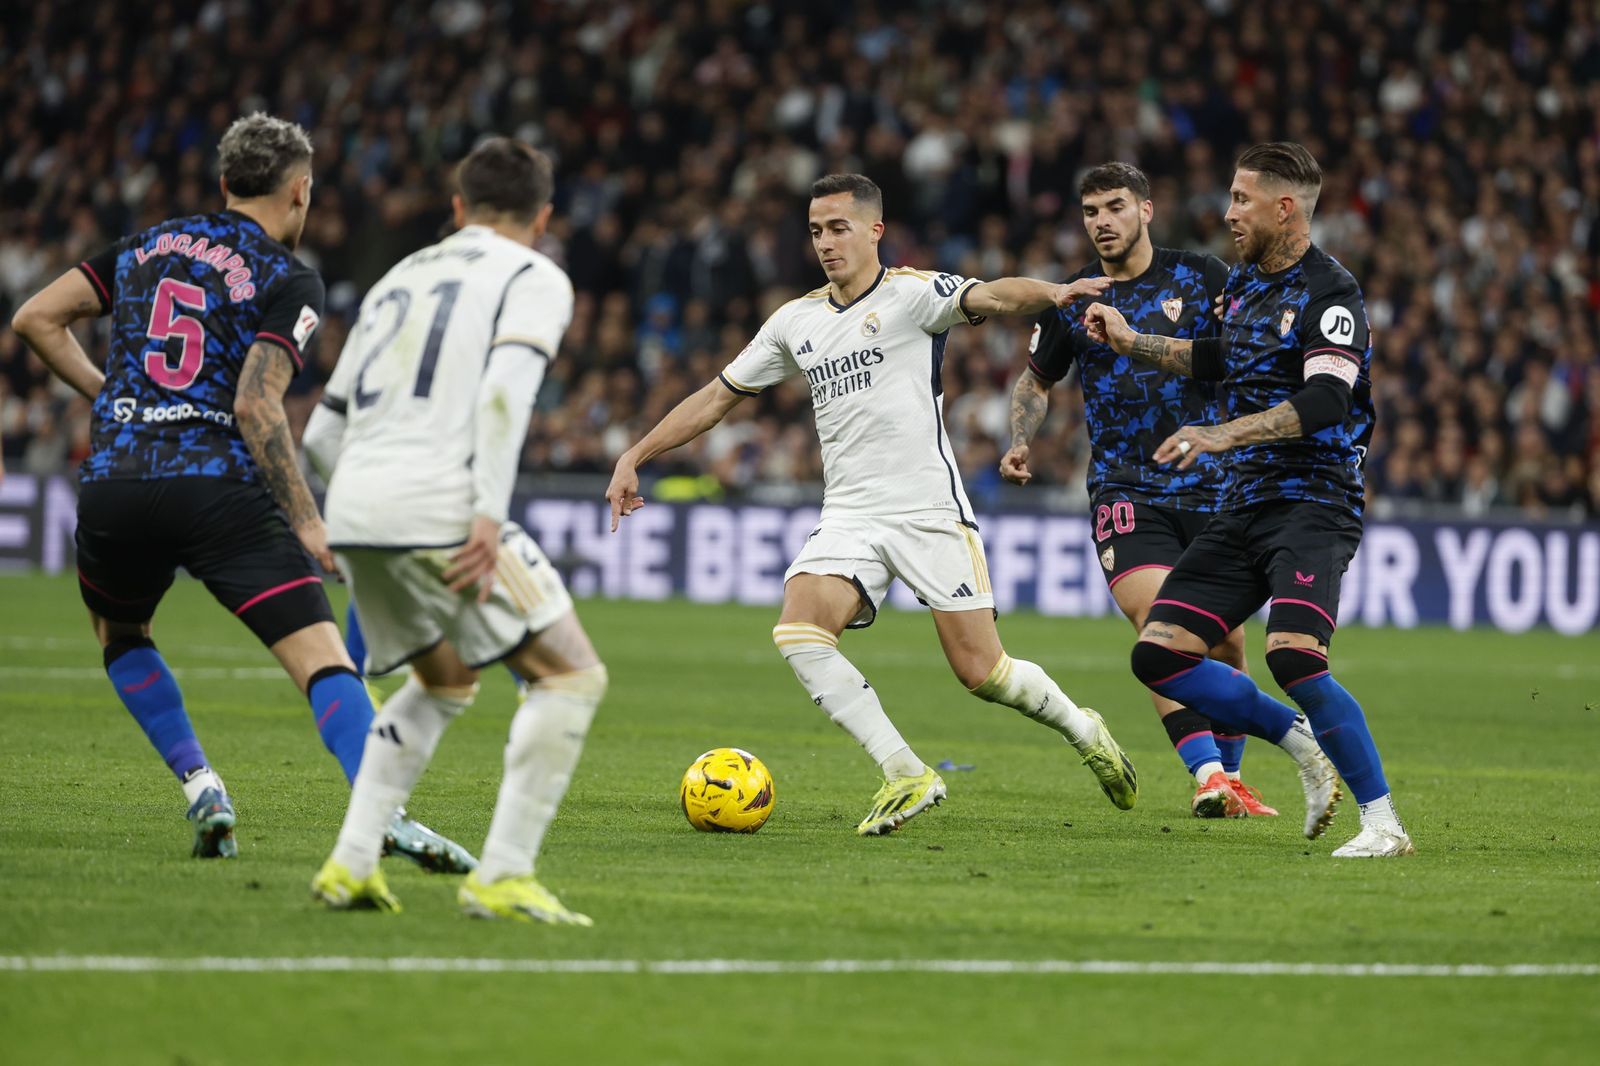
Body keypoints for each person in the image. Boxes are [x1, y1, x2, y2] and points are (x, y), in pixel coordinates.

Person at [606, 173, 1137, 837]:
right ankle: (904, 771)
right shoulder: (795, 322)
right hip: (850, 515)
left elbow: (993, 295)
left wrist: (1055, 292)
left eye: (838, 228)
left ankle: (1083, 727)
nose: (825, 243)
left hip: (926, 510)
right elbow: (717, 397)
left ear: (874, 230)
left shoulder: (913, 295)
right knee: (798, 629)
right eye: (815, 231)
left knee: (984, 672)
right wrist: (636, 456)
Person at [10, 113, 471, 870]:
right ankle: (380, 811)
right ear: (300, 192)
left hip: (116, 482)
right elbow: (257, 405)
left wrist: (110, 397)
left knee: (122, 636)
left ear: (225, 185)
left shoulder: (144, 247)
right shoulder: (287, 275)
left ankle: (201, 786)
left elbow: (36, 317)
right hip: (213, 487)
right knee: (324, 659)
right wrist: (309, 520)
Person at [303, 137, 605, 922]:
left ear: (459, 207)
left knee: (443, 679)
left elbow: (319, 438)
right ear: (542, 216)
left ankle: (351, 863)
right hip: (443, 506)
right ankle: (502, 873)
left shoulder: (397, 277)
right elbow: (506, 393)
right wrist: (487, 515)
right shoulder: (533, 274)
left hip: (359, 505)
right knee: (571, 674)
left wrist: (355, 509)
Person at [1086, 142, 1413, 858]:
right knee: (1159, 655)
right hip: (1242, 505)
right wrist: (1133, 339)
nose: (1228, 211)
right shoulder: (1241, 286)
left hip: (1312, 501)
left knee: (1294, 656)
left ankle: (1384, 824)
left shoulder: (1332, 293)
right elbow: (1212, 358)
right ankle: (1297, 739)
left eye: (1242, 199)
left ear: (1284, 207)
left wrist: (1221, 435)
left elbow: (1327, 399)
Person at [1001, 161, 1280, 820]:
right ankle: (1208, 773)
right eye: (1092, 210)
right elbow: (1035, 382)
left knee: (1228, 646)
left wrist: (1137, 343)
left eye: (1115, 207)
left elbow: (1235, 355)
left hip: (1212, 490)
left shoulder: (1203, 277)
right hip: (1126, 490)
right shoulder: (1072, 299)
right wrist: (1021, 438)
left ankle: (1233, 778)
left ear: (1146, 210)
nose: (1102, 222)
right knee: (1164, 629)